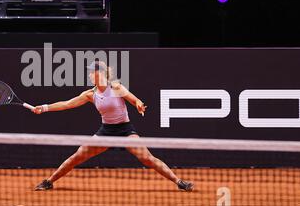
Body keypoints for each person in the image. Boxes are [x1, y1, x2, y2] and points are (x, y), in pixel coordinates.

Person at [32, 60, 194, 192]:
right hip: (106, 131)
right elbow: (66, 104)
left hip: (125, 130)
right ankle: (49, 181)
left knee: (147, 158)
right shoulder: (90, 94)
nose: (89, 74)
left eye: (91, 71)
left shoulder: (115, 87)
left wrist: (138, 105)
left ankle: (179, 182)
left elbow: (134, 99)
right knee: (78, 156)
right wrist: (45, 107)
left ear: (100, 73)